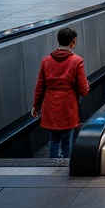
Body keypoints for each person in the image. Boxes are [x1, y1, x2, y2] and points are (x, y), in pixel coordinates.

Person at [31, 26, 90, 159]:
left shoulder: (46, 61)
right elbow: (84, 90)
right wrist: (86, 88)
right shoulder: (77, 61)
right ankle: (64, 168)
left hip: (51, 105)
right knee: (67, 140)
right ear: (72, 42)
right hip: (68, 106)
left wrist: (36, 106)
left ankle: (51, 167)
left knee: (53, 140)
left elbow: (40, 86)